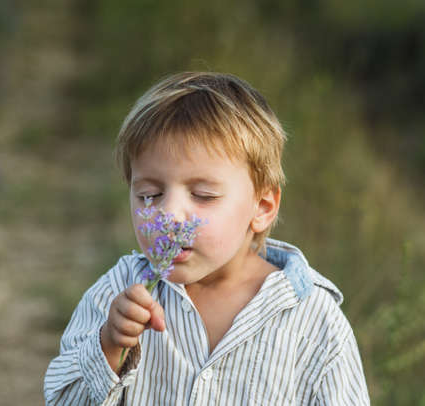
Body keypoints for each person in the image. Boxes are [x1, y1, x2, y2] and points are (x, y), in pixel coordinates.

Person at [44, 72, 370, 405]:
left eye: (203, 195)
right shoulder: (116, 295)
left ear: (262, 207)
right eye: (149, 194)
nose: (169, 215)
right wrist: (109, 347)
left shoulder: (313, 320)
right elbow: (61, 400)